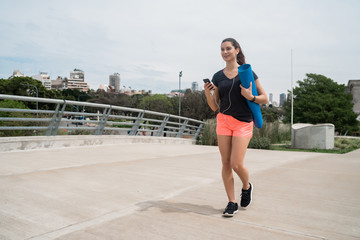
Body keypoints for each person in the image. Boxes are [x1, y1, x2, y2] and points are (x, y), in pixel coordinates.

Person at [204, 38, 268, 217]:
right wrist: (206, 92)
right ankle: (232, 202)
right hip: (223, 121)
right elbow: (214, 106)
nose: (225, 52)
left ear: (237, 50)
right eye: (222, 49)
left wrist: (251, 96)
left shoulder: (247, 73)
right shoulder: (218, 76)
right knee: (225, 163)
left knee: (236, 164)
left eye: (228, 48)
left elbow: (265, 98)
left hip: (243, 122)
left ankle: (246, 186)